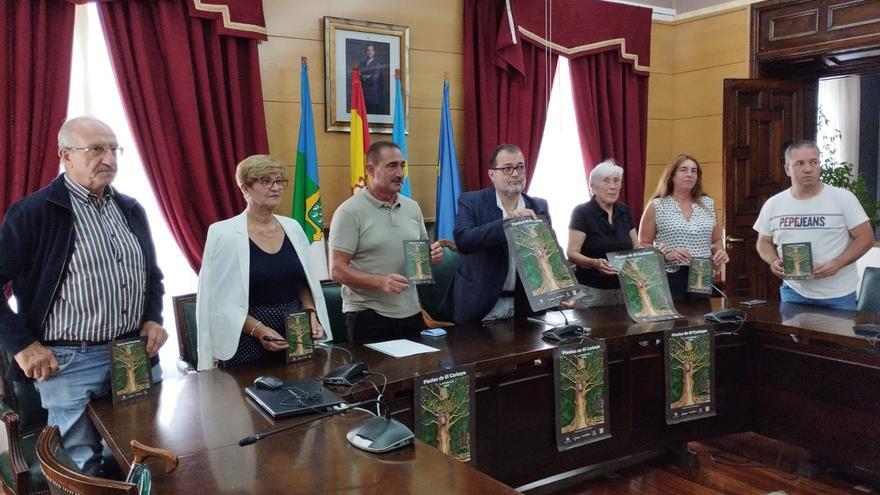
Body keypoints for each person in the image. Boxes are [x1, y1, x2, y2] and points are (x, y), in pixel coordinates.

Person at [0, 116, 167, 474]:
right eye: (96, 149)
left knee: (148, 456)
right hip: (69, 363)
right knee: (83, 468)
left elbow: (151, 275)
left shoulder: (131, 209)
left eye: (113, 148)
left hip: (134, 357)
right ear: (65, 156)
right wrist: (22, 344)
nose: (109, 159)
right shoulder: (32, 213)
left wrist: (154, 317)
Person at [196, 155, 332, 371]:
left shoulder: (293, 227)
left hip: (295, 332)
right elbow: (219, 298)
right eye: (266, 181)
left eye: (279, 181)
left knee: (305, 391)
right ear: (245, 188)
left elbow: (303, 282)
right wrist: (259, 330)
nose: (276, 188)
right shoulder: (223, 233)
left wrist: (310, 314)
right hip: (246, 336)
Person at [329, 141, 442, 343]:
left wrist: (431, 256)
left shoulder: (412, 207)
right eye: (392, 166)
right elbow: (337, 270)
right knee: (375, 376)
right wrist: (380, 282)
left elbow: (420, 258)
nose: (400, 173)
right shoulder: (349, 212)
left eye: (402, 165)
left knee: (414, 373)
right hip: (368, 315)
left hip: (411, 312)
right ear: (370, 170)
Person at [754, 140, 873, 310]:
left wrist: (838, 263)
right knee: (793, 337)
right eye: (799, 163)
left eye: (814, 162)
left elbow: (866, 238)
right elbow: (763, 241)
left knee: (835, 338)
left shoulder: (843, 198)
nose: (808, 168)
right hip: (793, 292)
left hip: (837, 295)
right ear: (787, 169)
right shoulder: (774, 204)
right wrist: (772, 260)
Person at [452, 144, 550, 324]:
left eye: (520, 167)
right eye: (507, 168)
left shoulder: (539, 207)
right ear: (492, 175)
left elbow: (548, 256)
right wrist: (507, 223)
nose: (515, 174)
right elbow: (464, 241)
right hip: (481, 305)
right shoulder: (471, 201)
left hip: (525, 306)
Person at [639, 153, 729, 301]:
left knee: (700, 317)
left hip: (701, 272)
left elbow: (716, 240)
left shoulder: (707, 203)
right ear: (672, 175)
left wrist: (720, 252)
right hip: (669, 274)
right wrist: (665, 256)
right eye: (683, 170)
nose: (689, 174)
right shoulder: (657, 205)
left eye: (694, 171)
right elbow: (643, 244)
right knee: (673, 321)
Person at [567, 159, 640, 307]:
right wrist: (594, 263)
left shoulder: (624, 211)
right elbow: (572, 253)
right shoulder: (582, 212)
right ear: (593, 187)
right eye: (606, 181)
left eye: (616, 181)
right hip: (592, 292)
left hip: (626, 290)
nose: (612, 186)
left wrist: (655, 252)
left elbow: (636, 248)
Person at [358, 43, 387, 115]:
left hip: (373, 97)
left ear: (374, 52)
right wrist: (367, 76)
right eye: (368, 50)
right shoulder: (361, 64)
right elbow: (358, 77)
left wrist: (363, 77)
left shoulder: (377, 64)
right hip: (363, 95)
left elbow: (373, 80)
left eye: (371, 50)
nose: (369, 52)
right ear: (365, 52)